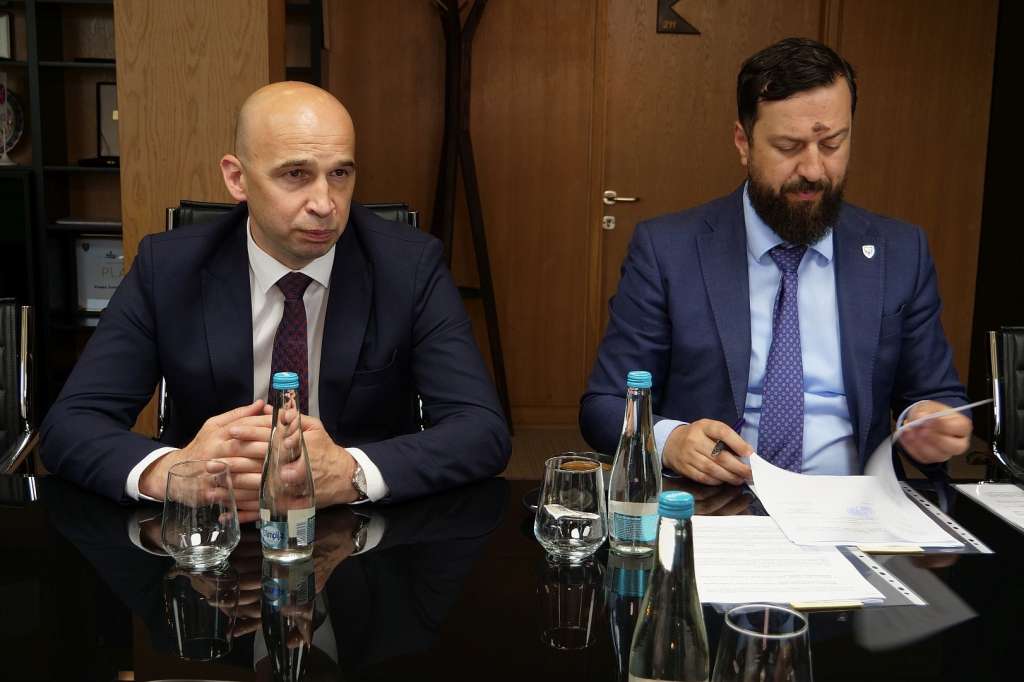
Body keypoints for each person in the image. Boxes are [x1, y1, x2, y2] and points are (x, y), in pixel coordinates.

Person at [41, 82, 510, 518]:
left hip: (359, 528)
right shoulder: (167, 269)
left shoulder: (408, 268)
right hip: (214, 529)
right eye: (296, 174)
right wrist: (172, 474)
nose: (324, 203)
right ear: (237, 178)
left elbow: (481, 429)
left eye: (340, 174)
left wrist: (351, 472)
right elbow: (70, 425)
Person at [580, 37, 971, 485]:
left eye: (832, 144)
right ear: (743, 142)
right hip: (716, 501)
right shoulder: (668, 250)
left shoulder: (899, 251)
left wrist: (930, 424)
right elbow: (605, 405)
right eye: (788, 146)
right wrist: (671, 440)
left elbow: (936, 397)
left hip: (853, 504)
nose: (813, 170)